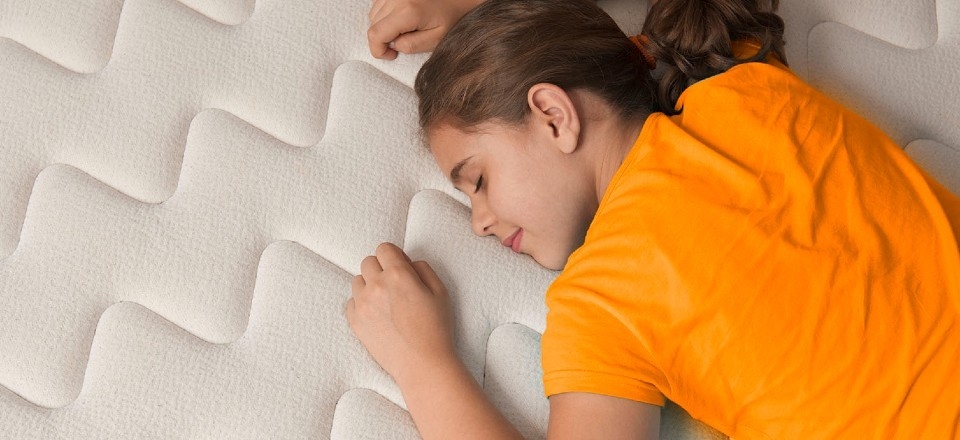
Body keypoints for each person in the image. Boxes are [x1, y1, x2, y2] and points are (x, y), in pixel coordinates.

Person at [348, 0, 960, 438]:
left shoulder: (599, 300)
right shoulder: (746, 88)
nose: (478, 221)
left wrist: (423, 363)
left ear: (554, 115)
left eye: (477, 180)